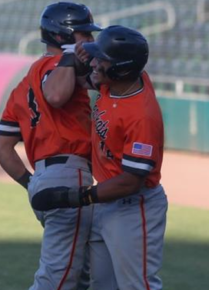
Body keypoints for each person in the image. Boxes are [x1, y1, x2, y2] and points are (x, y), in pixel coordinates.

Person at [33, 25, 168, 290]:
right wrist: (82, 54)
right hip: (106, 201)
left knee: (137, 285)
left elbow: (131, 181)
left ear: (120, 69)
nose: (95, 64)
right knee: (102, 285)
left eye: (101, 59)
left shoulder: (142, 116)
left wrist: (74, 197)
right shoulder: (115, 84)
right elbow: (83, 78)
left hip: (133, 206)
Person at [0, 2, 101, 290]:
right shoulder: (61, 67)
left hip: (44, 179)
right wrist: (71, 60)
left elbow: (1, 148)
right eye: (84, 34)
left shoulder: (22, 85)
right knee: (57, 281)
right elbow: (55, 95)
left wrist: (32, 184)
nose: (90, 40)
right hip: (69, 174)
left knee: (82, 278)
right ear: (63, 37)